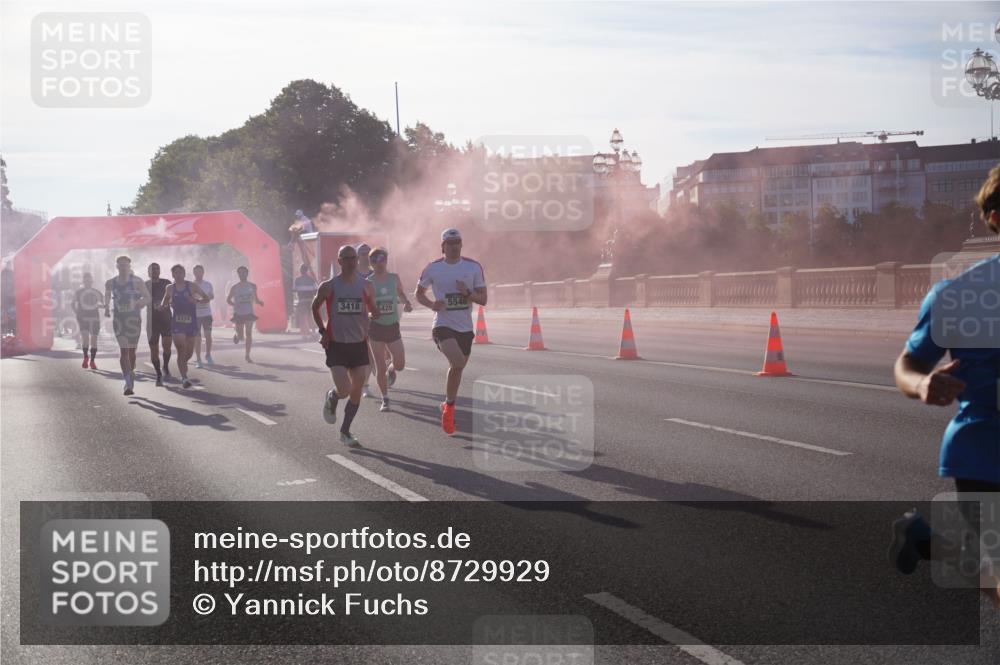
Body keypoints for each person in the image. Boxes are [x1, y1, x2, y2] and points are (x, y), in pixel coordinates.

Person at [890, 165, 1000, 606]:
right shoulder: (958, 296)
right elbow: (907, 364)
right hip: (986, 452)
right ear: (995, 217)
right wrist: (921, 386)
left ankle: (926, 539)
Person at [415, 228, 487, 435]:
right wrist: (431, 304)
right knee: (456, 363)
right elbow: (418, 293)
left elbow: (483, 299)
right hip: (442, 325)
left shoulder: (473, 267)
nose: (454, 246)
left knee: (457, 368)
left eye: (457, 242)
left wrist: (467, 293)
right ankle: (450, 409)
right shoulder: (433, 268)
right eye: (450, 243)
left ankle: (447, 405)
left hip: (465, 328)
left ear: (461, 245)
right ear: (443, 247)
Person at [312, 244, 380, 447]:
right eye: (347, 258)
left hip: (358, 344)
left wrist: (375, 314)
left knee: (356, 390)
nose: (351, 262)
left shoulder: (366, 286)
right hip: (337, 345)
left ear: (358, 261)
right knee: (344, 390)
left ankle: (345, 431)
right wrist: (323, 331)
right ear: (339, 261)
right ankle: (332, 396)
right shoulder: (329, 286)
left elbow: (373, 310)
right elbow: (314, 307)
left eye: (354, 258)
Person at [367, 246, 413, 412]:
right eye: (375, 260)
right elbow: (364, 303)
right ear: (370, 263)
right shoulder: (368, 281)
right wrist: (370, 312)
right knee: (379, 366)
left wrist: (406, 303)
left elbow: (400, 293)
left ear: (386, 260)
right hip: (376, 327)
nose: (379, 263)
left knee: (400, 364)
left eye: (382, 259)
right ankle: (385, 398)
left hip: (392, 326)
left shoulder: (394, 278)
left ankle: (392, 370)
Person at [104, 256, 151, 396]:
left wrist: (139, 303)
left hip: (134, 321)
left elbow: (148, 298)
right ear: (117, 267)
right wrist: (106, 308)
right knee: (124, 351)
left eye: (126, 265)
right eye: (121, 265)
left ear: (129, 267)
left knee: (131, 352)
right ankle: (128, 383)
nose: (124, 268)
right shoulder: (110, 283)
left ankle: (131, 371)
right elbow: (107, 297)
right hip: (119, 320)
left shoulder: (137, 281)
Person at [159, 265, 210, 389]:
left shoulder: (192, 286)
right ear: (172, 275)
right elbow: (165, 301)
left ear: (184, 273)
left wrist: (196, 301)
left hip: (191, 322)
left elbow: (206, 298)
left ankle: (182, 364)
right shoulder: (170, 288)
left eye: (180, 272)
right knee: (181, 349)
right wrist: (163, 306)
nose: (178, 275)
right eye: (175, 273)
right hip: (177, 322)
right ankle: (184, 377)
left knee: (189, 352)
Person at [227, 265, 264, 363]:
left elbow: (255, 299)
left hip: (249, 313)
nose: (242, 274)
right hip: (238, 313)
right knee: (241, 336)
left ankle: (247, 355)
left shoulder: (252, 286)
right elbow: (228, 300)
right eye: (240, 272)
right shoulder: (234, 287)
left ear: (247, 273)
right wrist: (234, 304)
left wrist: (259, 302)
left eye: (244, 272)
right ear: (238, 274)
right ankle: (237, 335)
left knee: (249, 333)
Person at [145, 263, 173, 386]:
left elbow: (172, 297)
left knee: (167, 347)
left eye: (157, 269)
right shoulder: (145, 285)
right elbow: (137, 299)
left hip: (166, 319)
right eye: (152, 269)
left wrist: (165, 305)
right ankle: (158, 374)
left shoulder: (166, 282)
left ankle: (165, 366)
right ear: (148, 272)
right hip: (152, 321)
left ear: (160, 271)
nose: (155, 271)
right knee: (154, 349)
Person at [72, 273, 104, 369]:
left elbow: (103, 304)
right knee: (86, 338)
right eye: (86, 281)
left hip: (94, 317)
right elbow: (72, 303)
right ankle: (86, 358)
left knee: (93, 340)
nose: (88, 283)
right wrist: (76, 312)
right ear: (83, 282)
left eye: (89, 281)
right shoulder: (79, 292)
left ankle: (92, 361)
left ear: (92, 282)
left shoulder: (96, 292)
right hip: (83, 317)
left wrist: (103, 307)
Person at [192, 264, 215, 368]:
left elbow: (211, 295)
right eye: (196, 272)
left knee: (208, 336)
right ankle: (198, 359)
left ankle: (208, 355)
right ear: (194, 273)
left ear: (203, 272)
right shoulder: (191, 285)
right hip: (195, 315)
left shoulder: (208, 284)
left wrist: (207, 297)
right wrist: (198, 300)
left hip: (207, 314)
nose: (198, 273)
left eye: (200, 271)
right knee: (197, 338)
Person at [292, 264, 318, 339]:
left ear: (301, 271)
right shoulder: (311, 280)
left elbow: (294, 290)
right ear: (307, 271)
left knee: (303, 318)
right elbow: (316, 290)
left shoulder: (297, 280)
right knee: (310, 317)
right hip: (310, 301)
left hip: (302, 300)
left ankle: (304, 334)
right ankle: (313, 332)